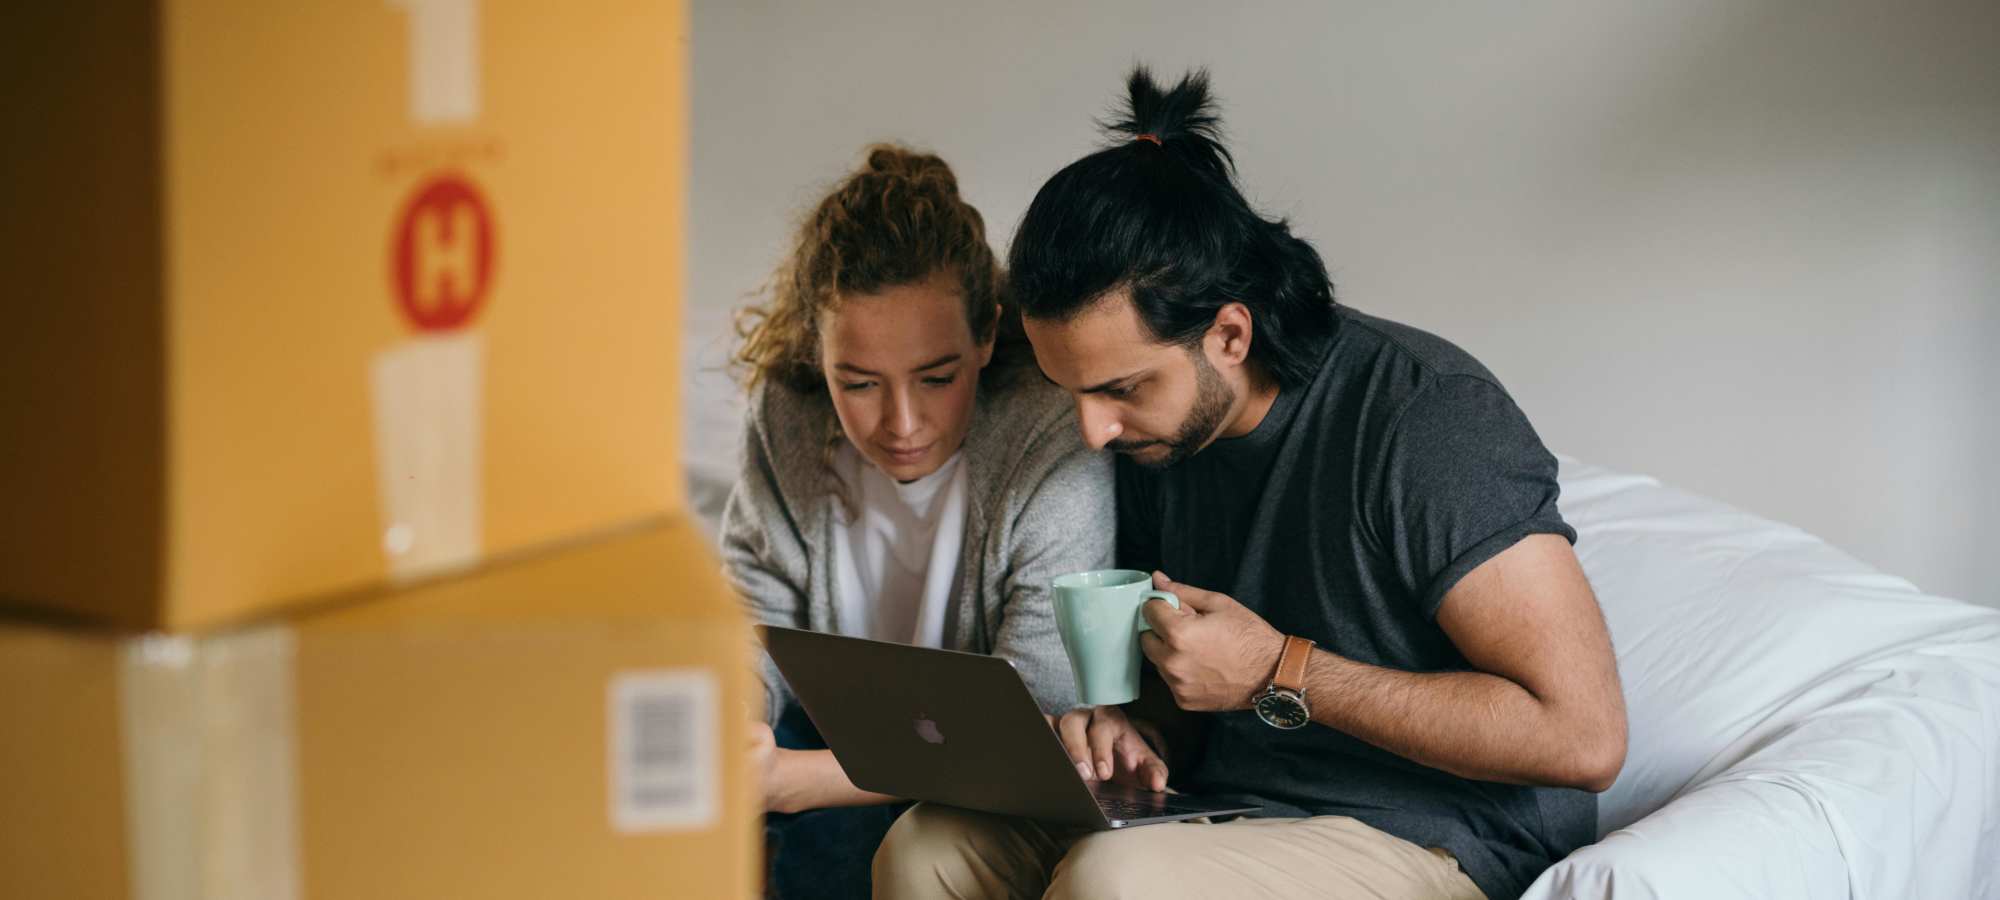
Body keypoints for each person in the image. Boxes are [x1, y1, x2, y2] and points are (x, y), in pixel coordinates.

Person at [872, 69, 1627, 900]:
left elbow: (1583, 738)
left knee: (1117, 882)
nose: (1093, 432)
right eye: (1072, 392)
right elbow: (1198, 692)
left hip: (1441, 838)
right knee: (930, 844)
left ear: (1230, 333)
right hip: (1229, 808)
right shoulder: (1162, 441)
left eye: (1120, 389)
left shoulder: (1426, 419)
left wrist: (1279, 668)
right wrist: (1133, 726)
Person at [719, 144, 1112, 900]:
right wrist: (740, 726)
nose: (902, 423)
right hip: (823, 733)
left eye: (937, 377)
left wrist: (795, 782)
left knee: (868, 834)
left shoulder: (1050, 433)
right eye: (858, 383)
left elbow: (1040, 713)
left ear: (988, 337)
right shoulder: (785, 415)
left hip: (992, 768)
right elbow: (749, 618)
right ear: (817, 351)